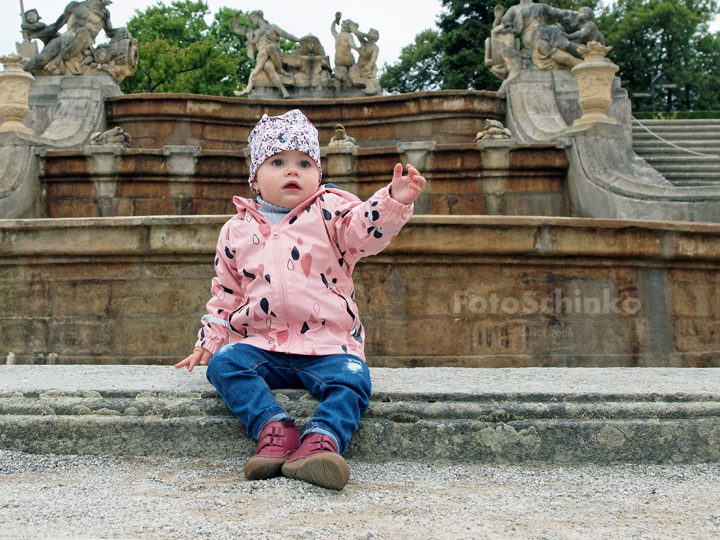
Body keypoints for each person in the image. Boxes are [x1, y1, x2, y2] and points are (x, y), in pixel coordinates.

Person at [175, 110, 426, 491]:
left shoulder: (332, 212)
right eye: (278, 162)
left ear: (319, 175)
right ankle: (274, 428)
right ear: (254, 177)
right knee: (225, 365)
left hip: (328, 345)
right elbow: (226, 293)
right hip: (265, 346)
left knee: (353, 379)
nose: (293, 171)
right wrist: (209, 342)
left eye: (304, 163)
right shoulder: (236, 229)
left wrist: (392, 200)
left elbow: (366, 231)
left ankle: (322, 441)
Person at [233, 10, 301, 98]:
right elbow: (237, 29)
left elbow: (286, 35)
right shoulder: (253, 32)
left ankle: (280, 69)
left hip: (276, 55)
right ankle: (284, 90)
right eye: (251, 19)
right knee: (269, 67)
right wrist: (235, 16)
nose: (252, 20)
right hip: (262, 57)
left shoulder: (272, 27)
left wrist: (298, 40)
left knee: (270, 47)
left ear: (259, 16)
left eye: (254, 17)